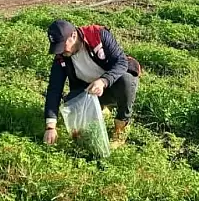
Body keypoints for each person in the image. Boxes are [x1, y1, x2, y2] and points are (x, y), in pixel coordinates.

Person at [42, 19, 141, 149]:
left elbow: (121, 62)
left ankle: (120, 129)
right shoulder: (61, 57)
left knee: (126, 81)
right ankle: (100, 108)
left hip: (112, 85)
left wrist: (103, 81)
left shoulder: (97, 35)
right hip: (89, 90)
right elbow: (54, 89)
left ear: (73, 35)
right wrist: (50, 126)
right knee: (71, 104)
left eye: (62, 45)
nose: (60, 51)